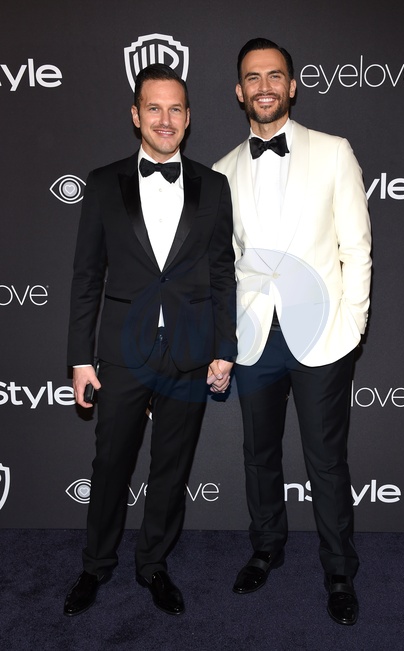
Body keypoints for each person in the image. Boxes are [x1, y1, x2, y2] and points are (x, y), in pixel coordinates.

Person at [64, 63, 236, 618]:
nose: (166, 119)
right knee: (111, 464)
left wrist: (224, 347)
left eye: (176, 108)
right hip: (122, 353)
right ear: (136, 115)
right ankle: (95, 565)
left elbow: (222, 273)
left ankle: (154, 565)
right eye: (154, 108)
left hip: (189, 351)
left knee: (171, 467)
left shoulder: (214, 186)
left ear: (188, 117)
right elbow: (87, 277)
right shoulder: (102, 183)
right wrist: (79, 359)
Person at [213, 38, 371, 626]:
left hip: (323, 335)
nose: (264, 86)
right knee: (259, 455)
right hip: (255, 338)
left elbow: (356, 245)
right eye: (253, 77)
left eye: (274, 75)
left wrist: (353, 322)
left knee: (326, 460)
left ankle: (339, 571)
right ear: (239, 91)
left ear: (292, 85)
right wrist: (225, 339)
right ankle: (266, 549)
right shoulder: (223, 171)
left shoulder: (333, 151)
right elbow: (224, 266)